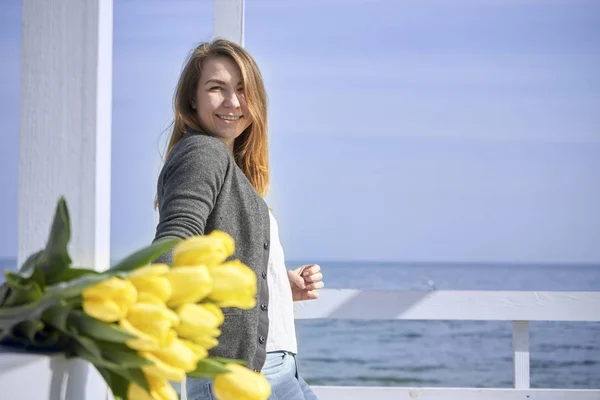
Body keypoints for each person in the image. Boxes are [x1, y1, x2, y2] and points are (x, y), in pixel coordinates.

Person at [153, 38, 323, 400]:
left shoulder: (231, 168)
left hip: (270, 371)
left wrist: (274, 286)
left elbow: (218, 257)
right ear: (191, 100)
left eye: (243, 90)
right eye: (217, 88)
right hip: (240, 377)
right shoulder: (204, 152)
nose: (232, 102)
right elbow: (174, 243)